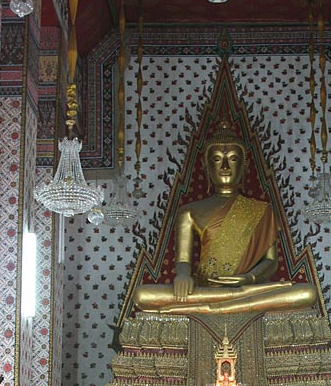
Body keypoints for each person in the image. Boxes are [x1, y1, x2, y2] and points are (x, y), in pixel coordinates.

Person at [133, 121, 317, 315]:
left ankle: (212, 308)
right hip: (205, 291)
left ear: (244, 166)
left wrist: (250, 279)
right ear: (206, 165)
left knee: (307, 292)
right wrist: (183, 276)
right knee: (143, 295)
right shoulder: (188, 211)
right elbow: (183, 260)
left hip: (248, 290)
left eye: (233, 159)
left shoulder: (263, 210)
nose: (226, 167)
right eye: (217, 160)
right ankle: (216, 305)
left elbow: (271, 262)